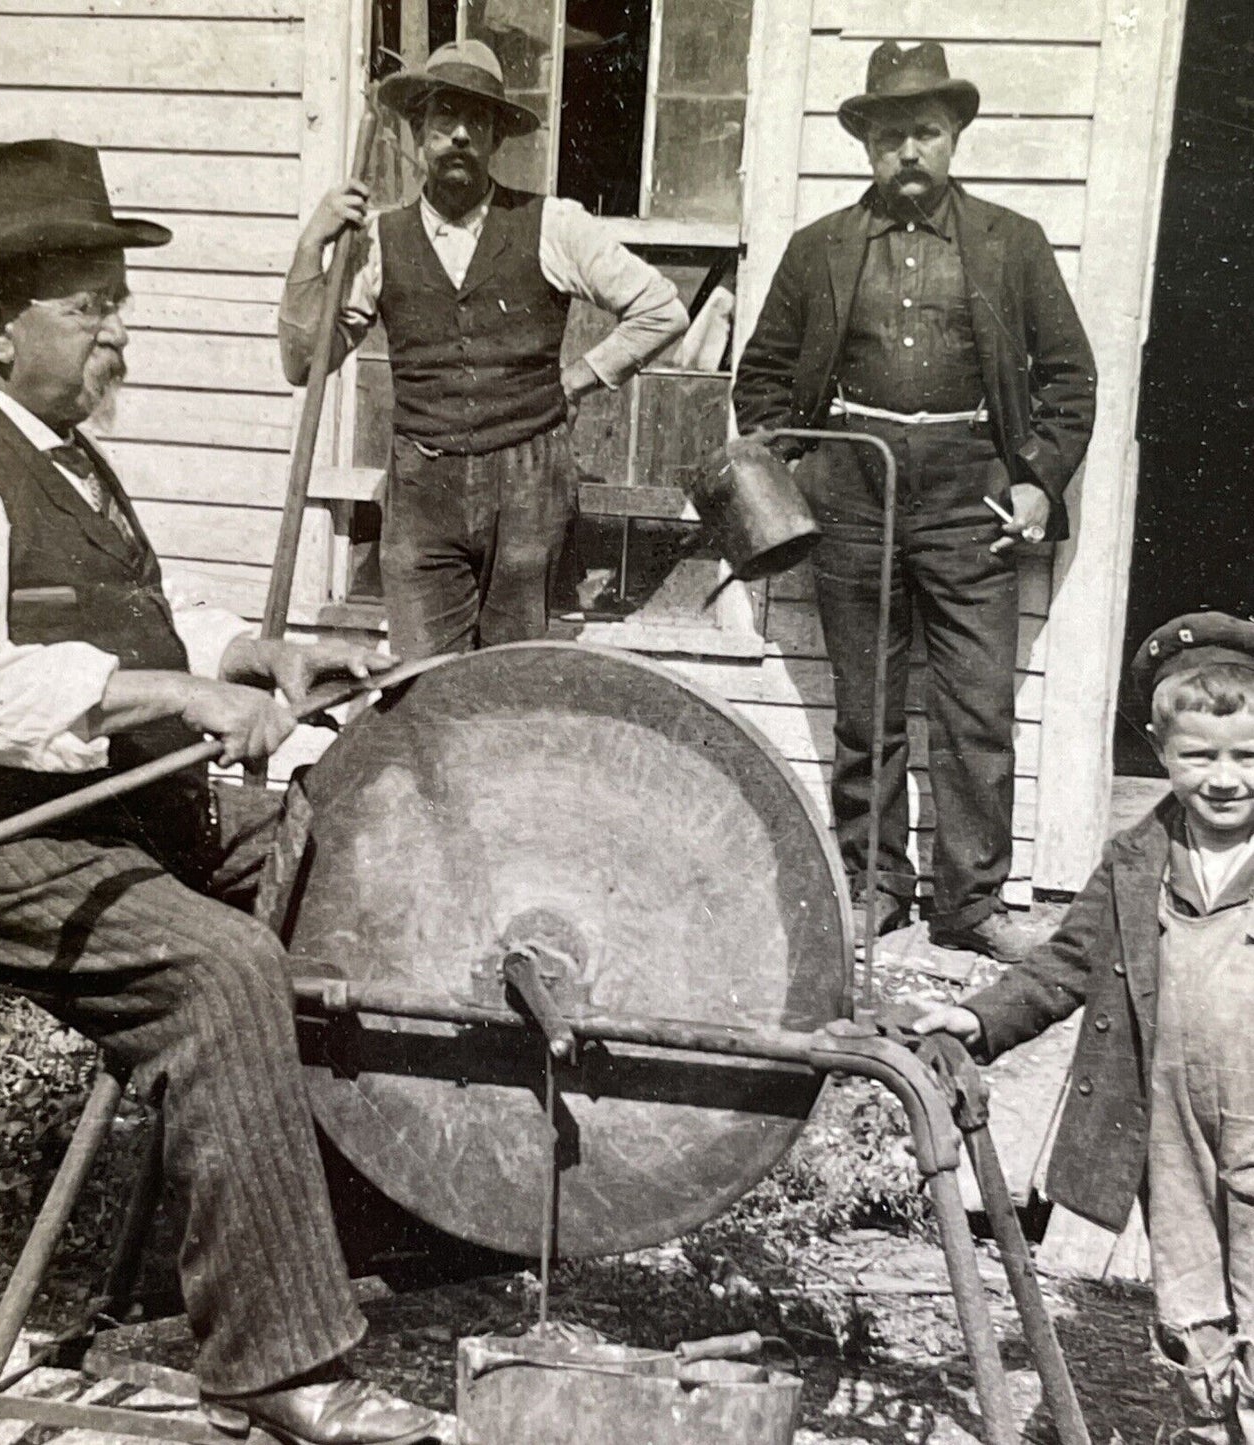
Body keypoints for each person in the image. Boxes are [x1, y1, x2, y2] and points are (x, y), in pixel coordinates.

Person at [0, 139, 447, 1445]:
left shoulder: (61, 453)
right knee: (215, 967)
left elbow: (138, 620)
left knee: (336, 846)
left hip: (93, 808)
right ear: (0, 322)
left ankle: (345, 1233)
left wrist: (251, 654)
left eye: (120, 297)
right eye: (93, 303)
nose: (123, 328)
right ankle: (272, 1362)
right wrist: (178, 700)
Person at [732, 41, 1097, 963]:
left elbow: (1070, 380)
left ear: (953, 137)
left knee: (976, 708)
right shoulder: (818, 248)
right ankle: (874, 885)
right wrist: (803, 469)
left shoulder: (1010, 241)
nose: (907, 152)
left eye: (924, 134)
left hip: (970, 488)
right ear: (864, 143)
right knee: (868, 707)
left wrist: (1035, 477)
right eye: (889, 134)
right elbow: (762, 377)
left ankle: (970, 902)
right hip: (853, 486)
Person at [915, 613, 1254, 1444]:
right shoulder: (1138, 857)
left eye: (1246, 755)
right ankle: (1209, 1427)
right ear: (1158, 751)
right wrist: (977, 1015)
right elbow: (1068, 960)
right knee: (1189, 1294)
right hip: (1169, 1127)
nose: (1223, 778)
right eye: (1197, 755)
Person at [279, 39, 688, 660]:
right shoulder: (379, 240)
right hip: (421, 489)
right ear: (418, 133)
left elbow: (662, 307)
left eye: (479, 121)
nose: (460, 136)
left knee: (511, 678)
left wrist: (579, 378)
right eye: (444, 119)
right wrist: (313, 245)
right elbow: (303, 362)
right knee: (423, 679)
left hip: (529, 485)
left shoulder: (553, 223)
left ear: (498, 139)